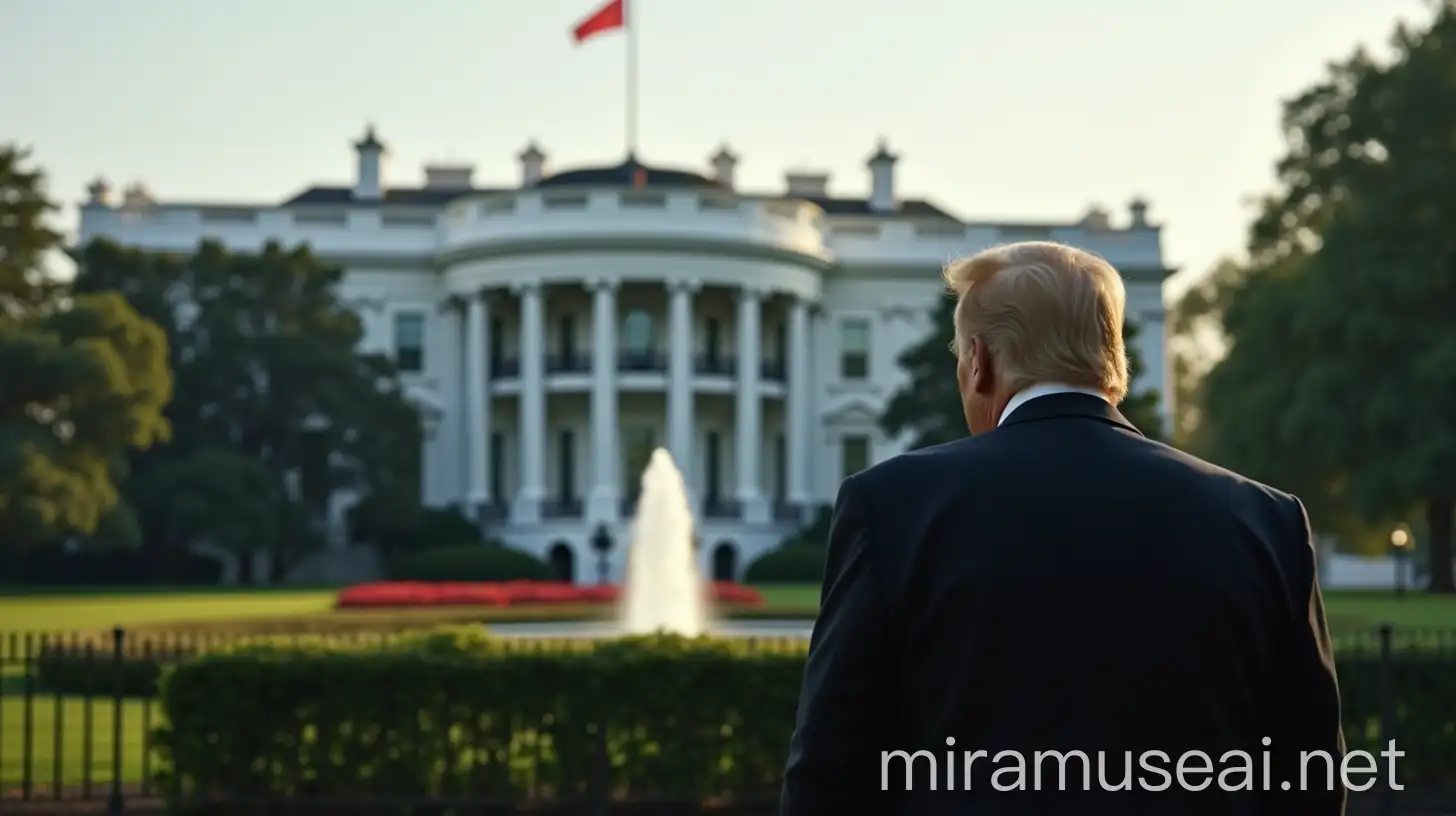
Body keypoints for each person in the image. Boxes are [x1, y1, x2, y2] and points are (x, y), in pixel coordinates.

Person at [779, 241, 1344, 815]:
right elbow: (1311, 778)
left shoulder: (892, 507)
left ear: (980, 362)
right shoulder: (1263, 519)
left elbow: (829, 774)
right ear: (1114, 362)